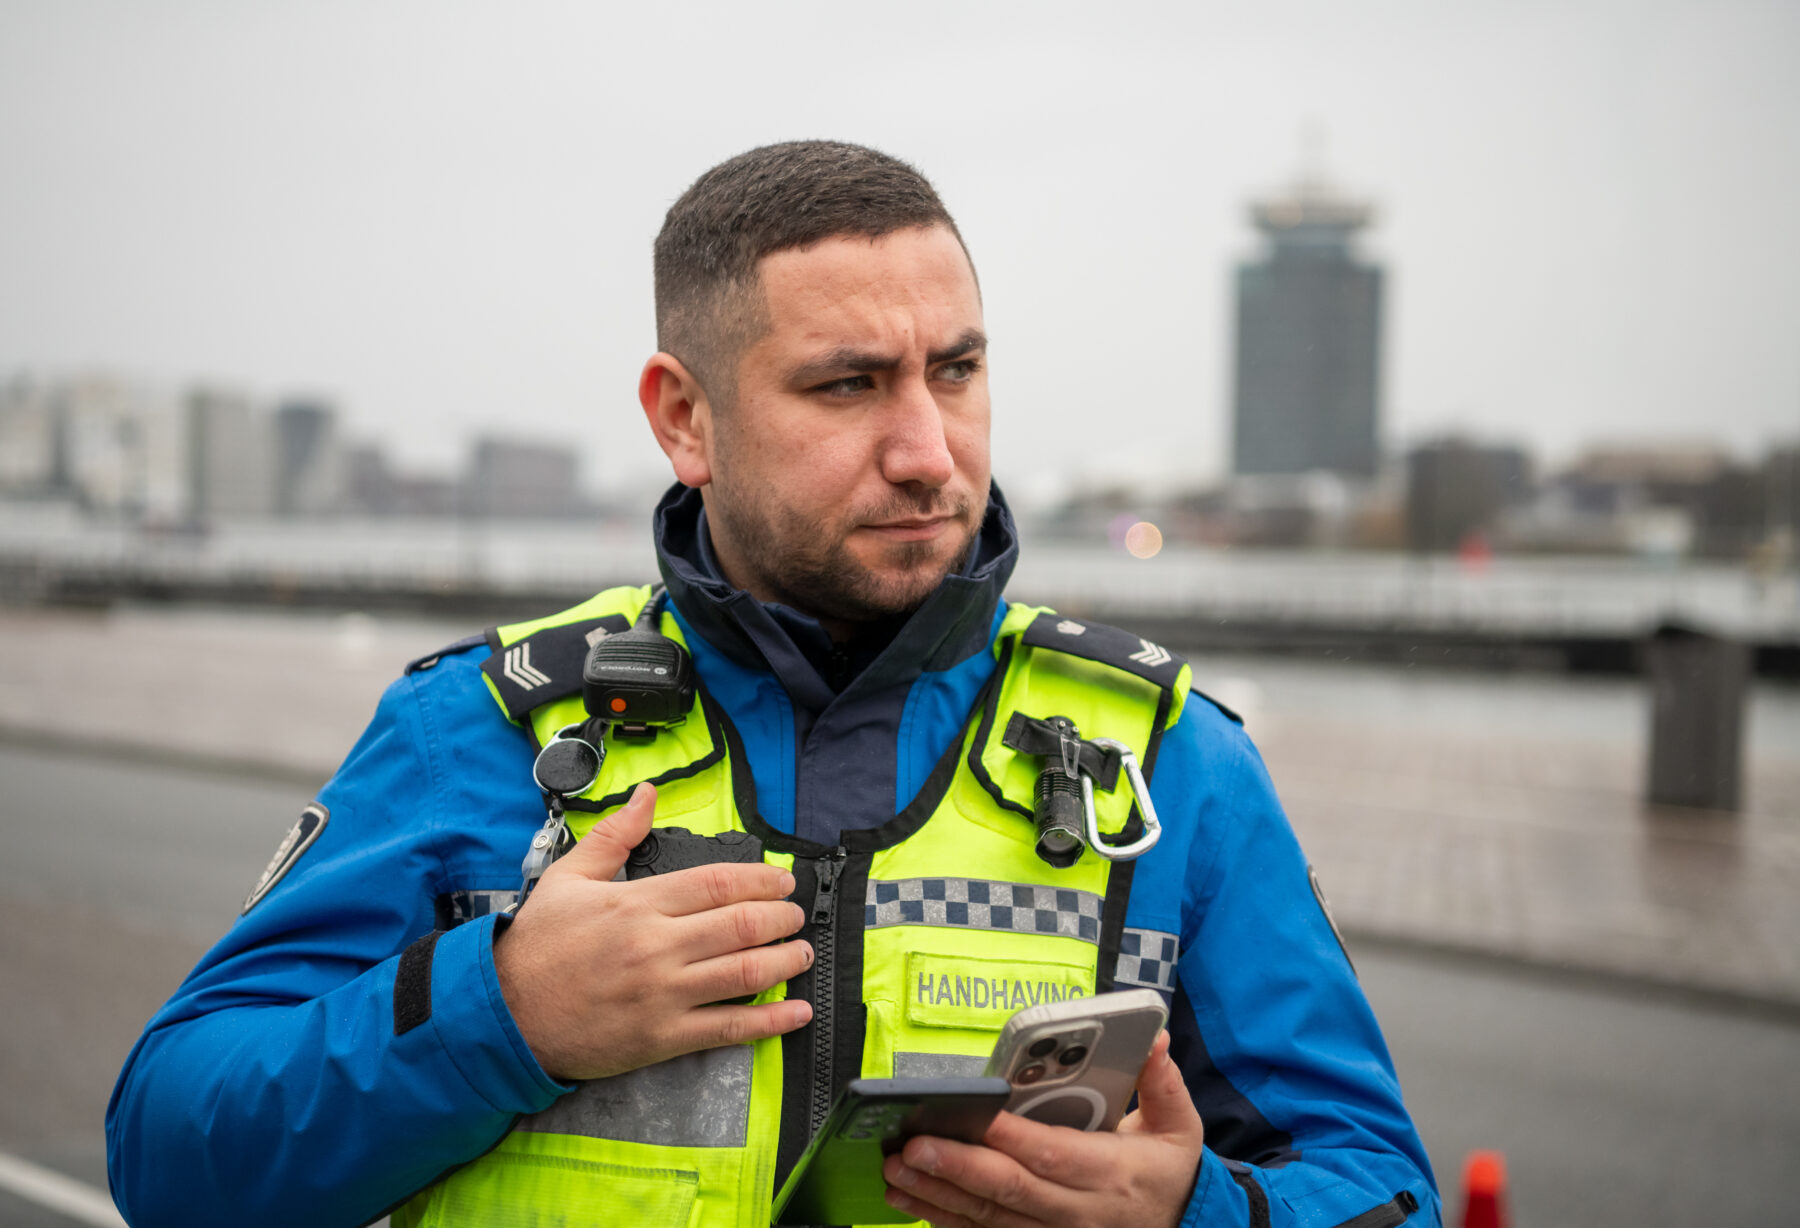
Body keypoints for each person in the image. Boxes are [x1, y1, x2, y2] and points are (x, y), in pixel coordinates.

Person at [107, 140, 1439, 1228]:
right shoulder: (479, 731)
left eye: (957, 370)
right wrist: (503, 1013)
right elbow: (170, 1157)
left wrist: (1189, 1212)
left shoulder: (1173, 764)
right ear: (685, 417)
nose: (929, 451)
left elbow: (1383, 1198)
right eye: (849, 385)